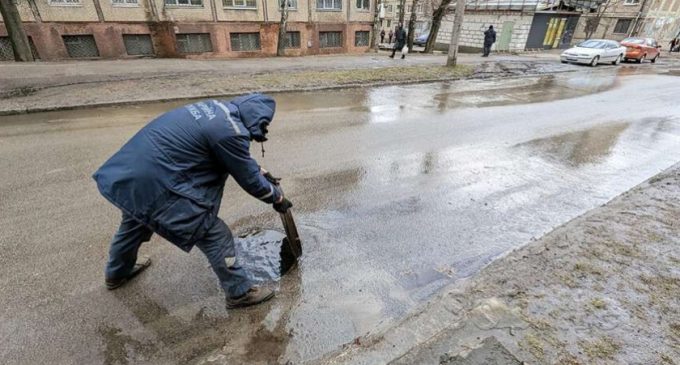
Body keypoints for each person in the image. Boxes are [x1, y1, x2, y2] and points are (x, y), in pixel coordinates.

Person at [93, 93, 293, 309]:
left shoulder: (215, 110)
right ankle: (239, 292)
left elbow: (228, 154)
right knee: (214, 234)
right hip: (159, 181)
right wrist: (277, 197)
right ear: (258, 120)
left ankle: (116, 273)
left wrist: (259, 169)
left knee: (135, 222)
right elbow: (249, 179)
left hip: (132, 174)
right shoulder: (230, 132)